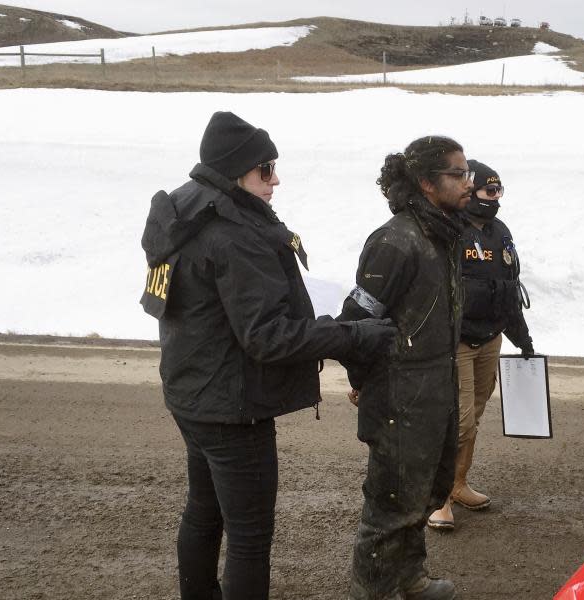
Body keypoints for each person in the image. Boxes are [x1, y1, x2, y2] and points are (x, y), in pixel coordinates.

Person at [140, 111, 395, 600]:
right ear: (235, 170)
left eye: (273, 166)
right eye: (264, 169)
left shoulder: (185, 205)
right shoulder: (233, 233)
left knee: (203, 510)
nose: (275, 179)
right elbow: (268, 337)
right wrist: (351, 335)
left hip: (191, 392)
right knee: (249, 536)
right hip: (233, 409)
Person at [339, 135, 473, 600]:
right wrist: (364, 382)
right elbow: (355, 321)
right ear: (426, 182)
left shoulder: (445, 232)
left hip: (436, 387)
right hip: (400, 395)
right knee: (390, 504)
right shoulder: (396, 241)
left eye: (467, 172)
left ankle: (410, 579)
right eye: (457, 175)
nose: (468, 183)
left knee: (425, 492)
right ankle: (371, 593)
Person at [426, 160, 533, 531]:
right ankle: (438, 499)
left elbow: (509, 289)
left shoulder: (500, 232)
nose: (495, 197)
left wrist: (523, 338)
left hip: (491, 337)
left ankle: (458, 484)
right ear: (471, 191)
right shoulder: (448, 229)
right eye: (489, 190)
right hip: (456, 340)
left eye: (499, 191)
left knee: (474, 413)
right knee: (458, 420)